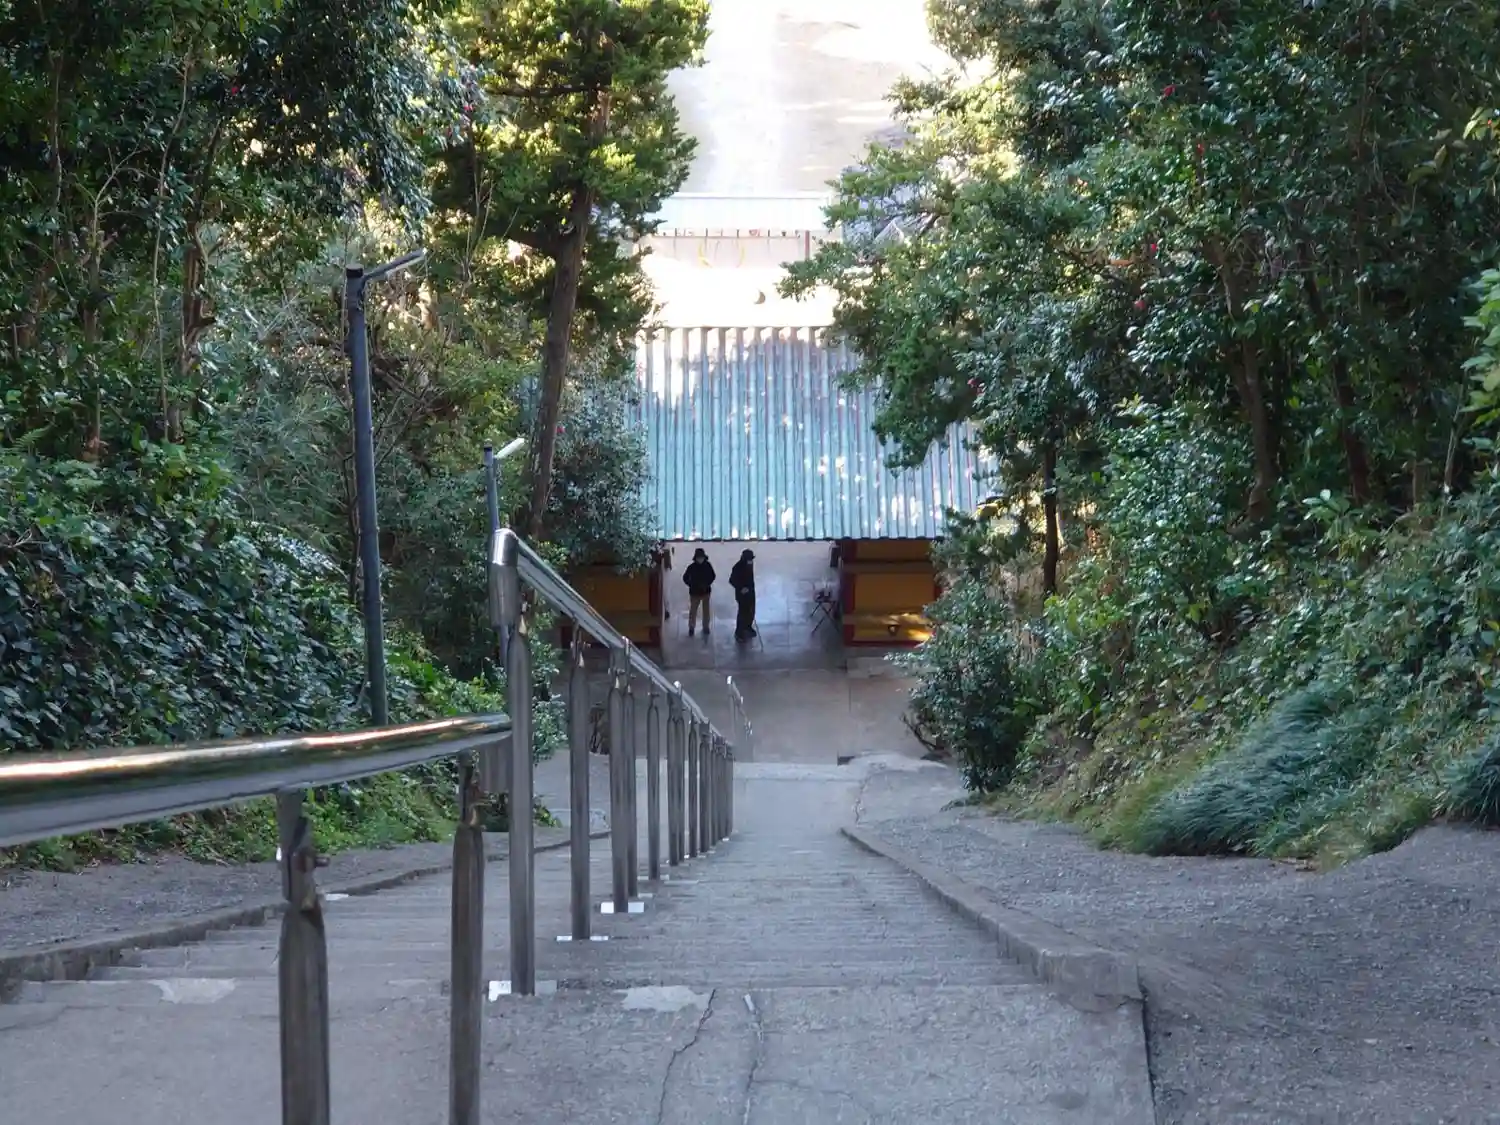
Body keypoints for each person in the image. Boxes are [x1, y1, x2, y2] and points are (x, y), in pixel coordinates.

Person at [682, 547, 716, 636]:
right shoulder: (691, 567)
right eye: (699, 557)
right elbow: (685, 578)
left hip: (705, 591)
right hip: (695, 592)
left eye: (701, 557)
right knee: (693, 610)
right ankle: (691, 627)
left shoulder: (708, 566)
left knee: (706, 610)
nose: (700, 559)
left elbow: (713, 576)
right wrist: (692, 585)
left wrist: (707, 584)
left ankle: (706, 626)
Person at [729, 548, 757, 641]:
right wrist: (741, 588)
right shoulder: (737, 567)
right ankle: (739, 632)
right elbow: (732, 580)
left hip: (751, 593)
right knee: (743, 613)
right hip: (742, 595)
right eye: (749, 559)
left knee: (751, 611)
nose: (751, 561)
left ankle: (748, 627)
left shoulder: (749, 566)